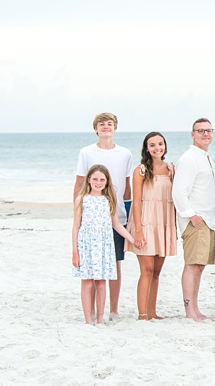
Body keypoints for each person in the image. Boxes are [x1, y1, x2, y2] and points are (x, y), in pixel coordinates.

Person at [73, 112, 133, 320]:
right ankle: (89, 312)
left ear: (115, 128)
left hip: (117, 216)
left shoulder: (125, 153)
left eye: (110, 124)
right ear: (96, 129)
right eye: (102, 124)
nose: (106, 127)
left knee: (114, 264)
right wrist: (77, 214)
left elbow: (127, 188)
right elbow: (80, 183)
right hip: (91, 218)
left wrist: (129, 213)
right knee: (90, 272)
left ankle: (113, 309)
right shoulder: (86, 152)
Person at [72, 164, 138, 325]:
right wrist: (75, 251)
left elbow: (116, 224)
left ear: (107, 181)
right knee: (87, 281)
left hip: (104, 246)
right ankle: (89, 320)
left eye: (102, 179)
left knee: (101, 282)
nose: (98, 182)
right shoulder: (81, 199)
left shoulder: (109, 200)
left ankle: (100, 319)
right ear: (88, 180)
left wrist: (132, 239)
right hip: (86, 245)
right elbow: (76, 226)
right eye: (95, 179)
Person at [172, 118, 215, 322]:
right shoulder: (189, 159)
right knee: (192, 265)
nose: (205, 134)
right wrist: (192, 214)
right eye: (200, 131)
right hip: (196, 221)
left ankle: (195, 308)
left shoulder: (205, 157)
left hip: (208, 221)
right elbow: (179, 192)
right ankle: (189, 311)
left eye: (208, 130)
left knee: (199, 266)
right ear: (192, 134)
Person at [126, 132, 177, 321]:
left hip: (163, 223)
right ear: (146, 148)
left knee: (156, 271)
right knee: (146, 269)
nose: (157, 148)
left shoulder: (171, 169)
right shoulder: (140, 171)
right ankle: (142, 314)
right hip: (145, 223)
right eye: (153, 145)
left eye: (160, 144)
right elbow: (136, 202)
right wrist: (138, 231)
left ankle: (152, 311)